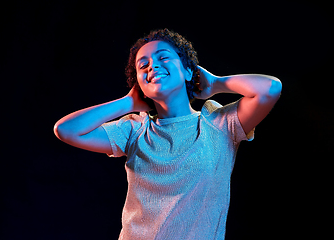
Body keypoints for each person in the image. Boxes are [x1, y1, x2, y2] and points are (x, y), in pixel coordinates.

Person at [53, 29, 282, 240]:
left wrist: (216, 83)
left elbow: (270, 89)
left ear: (187, 70)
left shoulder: (220, 123)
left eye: (163, 58)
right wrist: (127, 103)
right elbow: (66, 130)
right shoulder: (135, 130)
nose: (152, 66)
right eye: (143, 65)